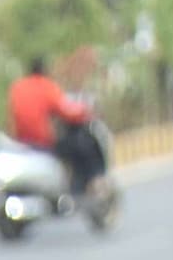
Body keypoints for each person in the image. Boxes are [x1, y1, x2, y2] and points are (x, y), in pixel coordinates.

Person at [6, 57, 106, 196]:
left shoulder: (18, 87)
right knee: (82, 147)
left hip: (22, 141)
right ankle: (82, 186)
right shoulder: (45, 86)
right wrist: (85, 111)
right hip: (43, 141)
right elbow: (66, 111)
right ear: (44, 71)